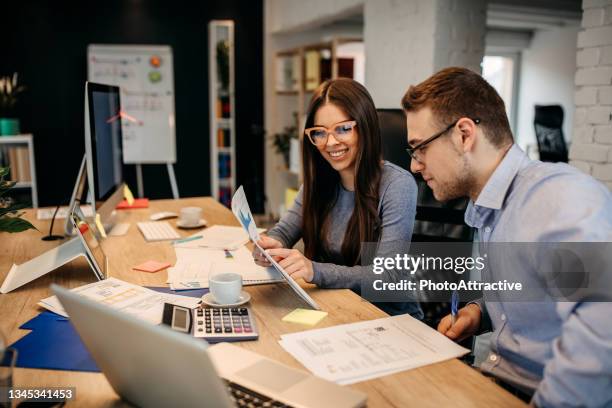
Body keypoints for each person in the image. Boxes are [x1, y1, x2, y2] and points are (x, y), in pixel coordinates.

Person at [401, 66, 612, 407]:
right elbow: (537, 291)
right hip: (494, 380)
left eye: (419, 148)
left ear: (464, 134)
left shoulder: (558, 197)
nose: (415, 165)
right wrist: (478, 312)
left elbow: (604, 321)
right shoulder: (490, 209)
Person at [254, 78, 421, 317]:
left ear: (365, 127)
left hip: (389, 318)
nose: (330, 142)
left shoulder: (397, 184)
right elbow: (283, 231)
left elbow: (388, 275)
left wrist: (314, 271)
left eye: (343, 128)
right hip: (335, 307)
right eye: (320, 133)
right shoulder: (319, 181)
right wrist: (271, 246)